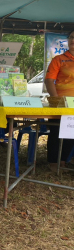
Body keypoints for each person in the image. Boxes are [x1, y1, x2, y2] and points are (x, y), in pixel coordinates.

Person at [44, 30, 74, 171]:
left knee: (71, 134)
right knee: (56, 132)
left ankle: (63, 162)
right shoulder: (59, 59)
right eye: (72, 37)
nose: (73, 40)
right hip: (61, 103)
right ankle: (53, 163)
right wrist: (56, 100)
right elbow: (49, 80)